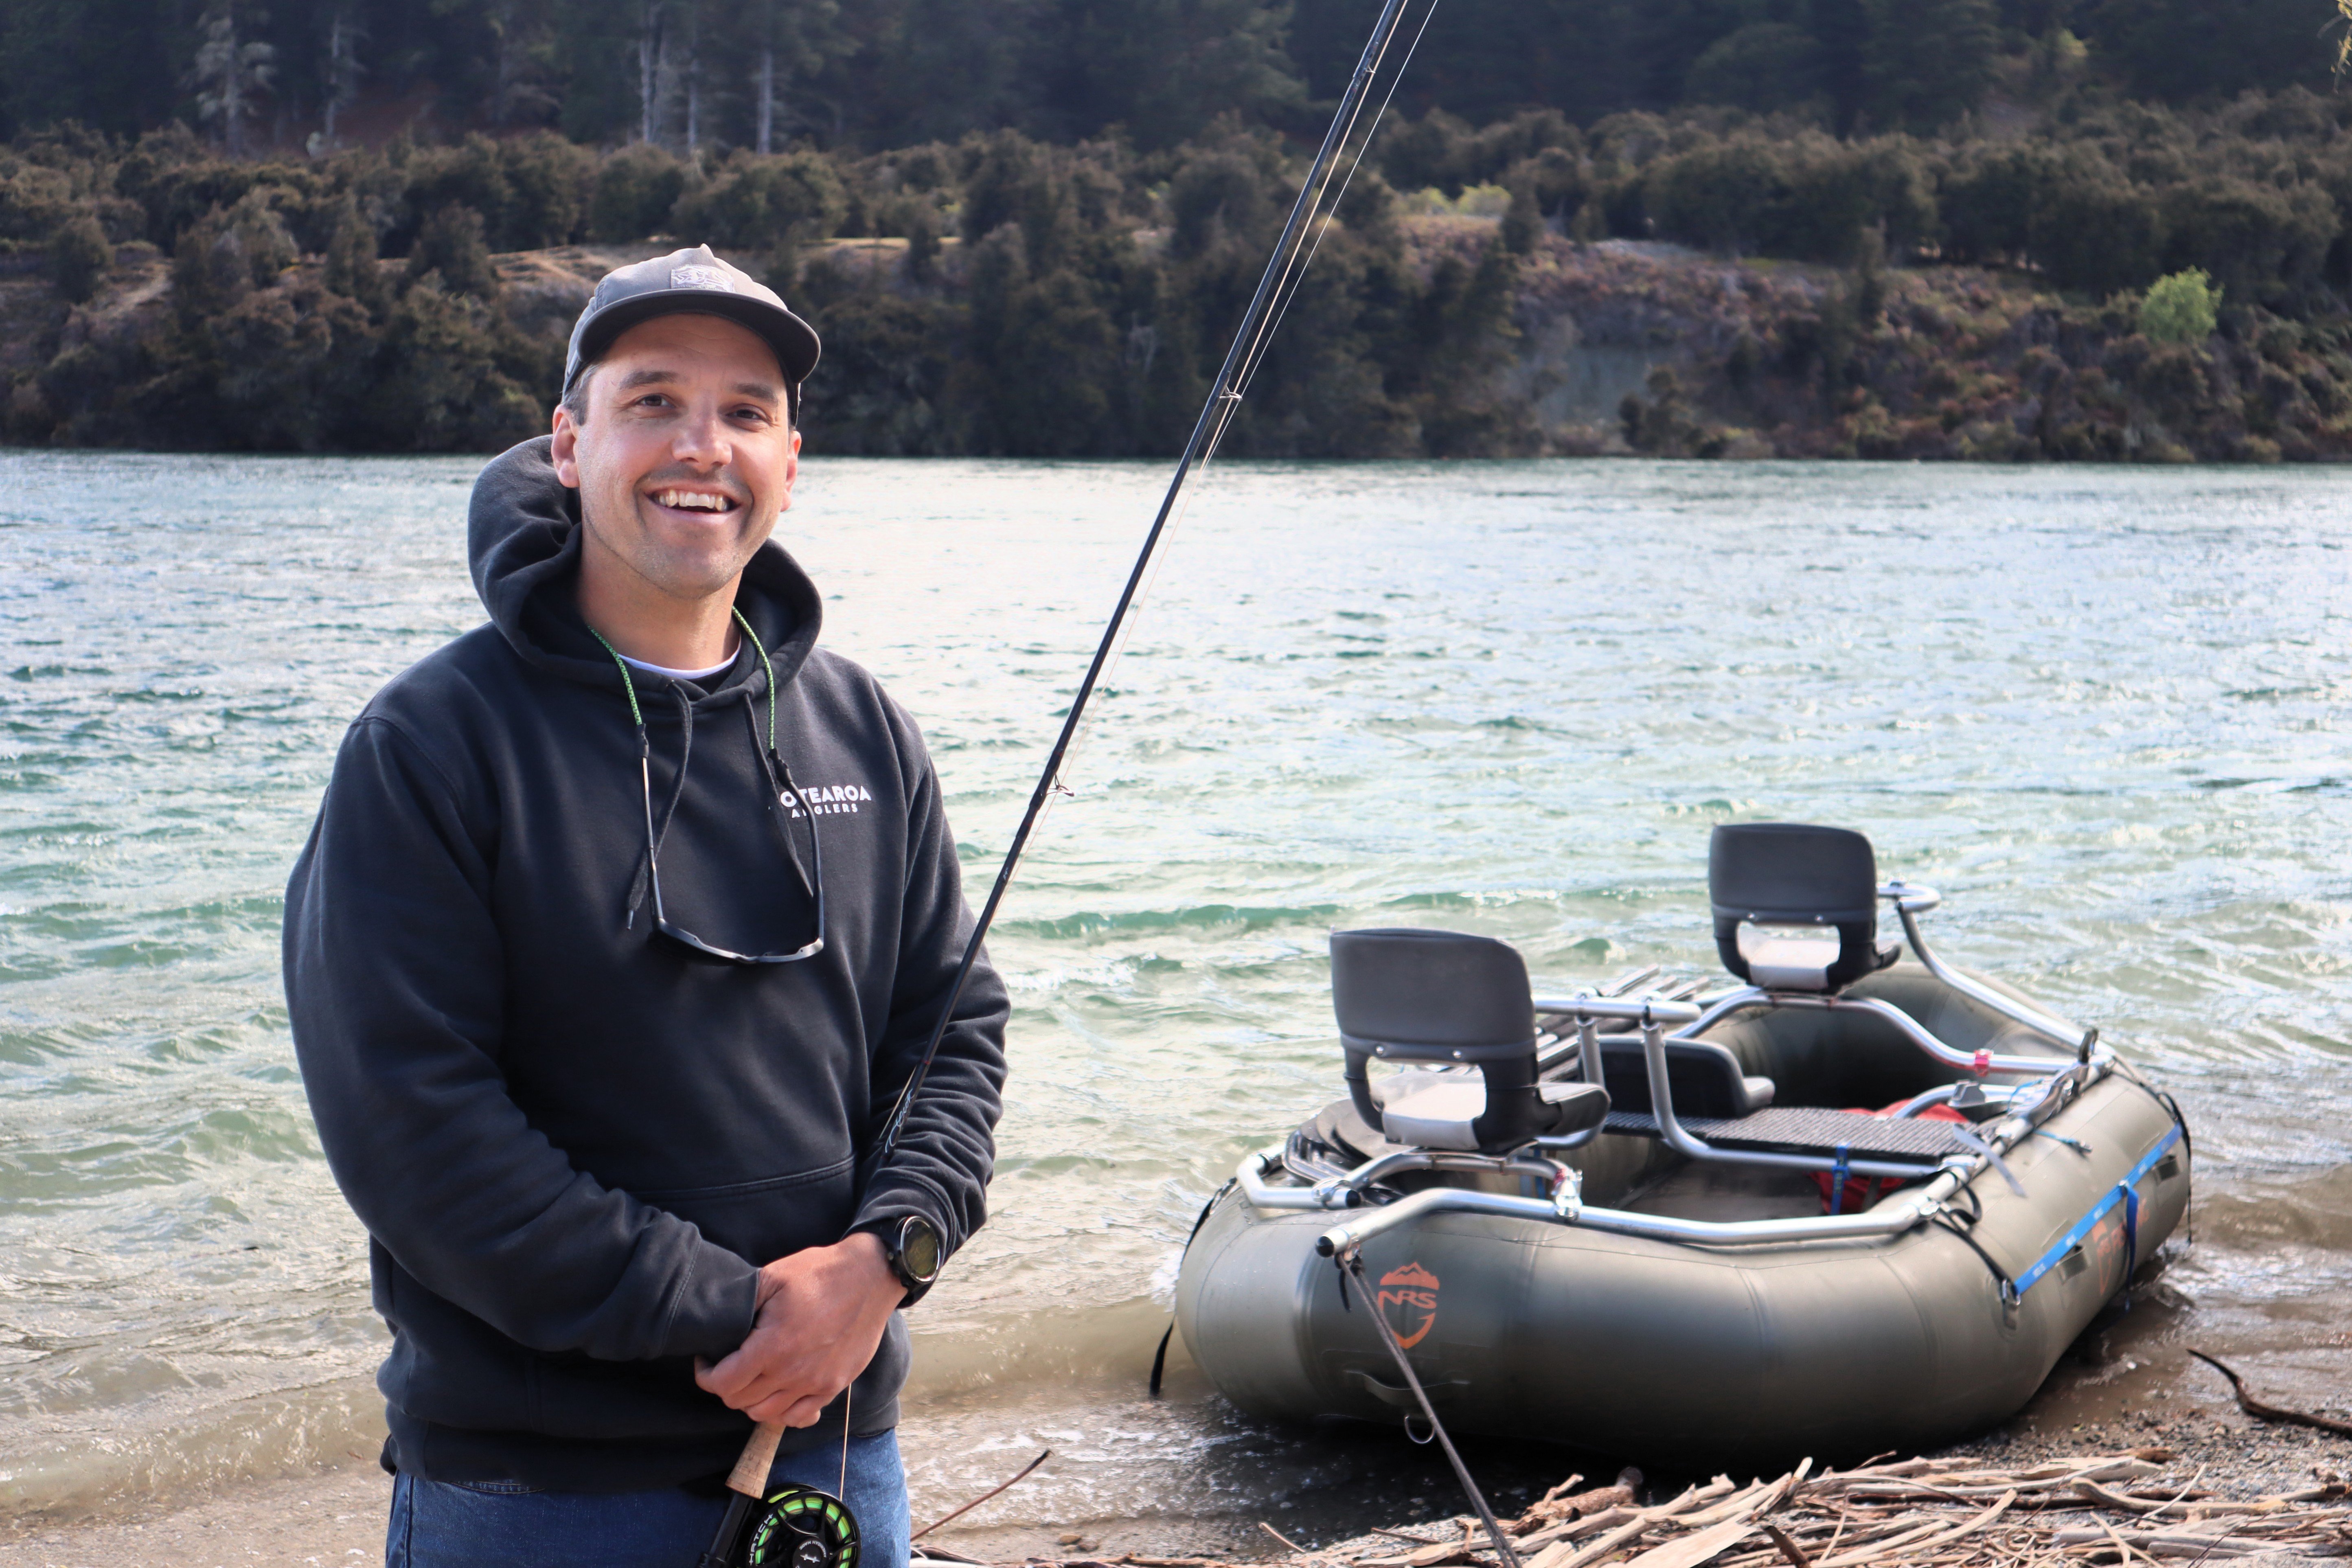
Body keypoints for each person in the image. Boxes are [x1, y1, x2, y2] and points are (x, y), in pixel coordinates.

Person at [284, 245, 1009, 1568]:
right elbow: (416, 1133)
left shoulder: (864, 728)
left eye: (745, 412)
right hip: (537, 1491)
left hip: (839, 1454)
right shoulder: (430, 743)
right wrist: (742, 1311)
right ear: (568, 443)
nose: (702, 446)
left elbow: (951, 1035)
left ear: (794, 459)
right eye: (653, 401)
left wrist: (887, 1258)